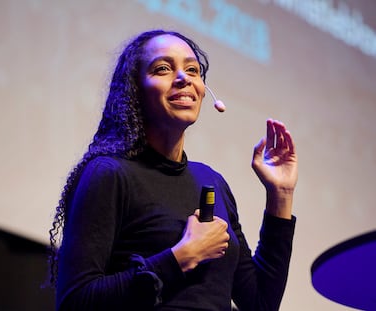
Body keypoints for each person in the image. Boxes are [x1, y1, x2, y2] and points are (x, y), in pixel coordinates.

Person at [48, 29, 298, 311]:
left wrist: (281, 194)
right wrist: (182, 257)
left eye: (192, 69)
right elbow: (75, 302)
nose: (184, 78)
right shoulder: (109, 174)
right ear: (135, 90)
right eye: (163, 69)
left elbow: (260, 304)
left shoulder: (212, 181)